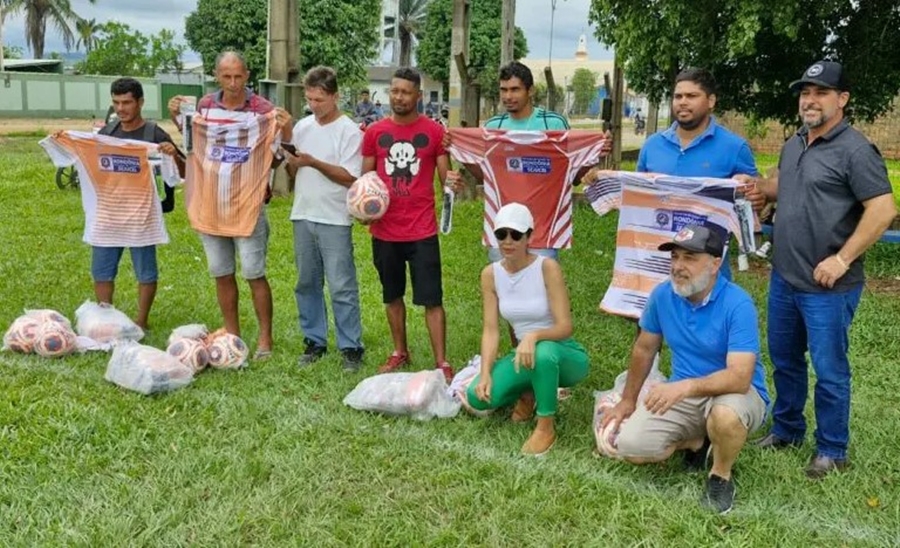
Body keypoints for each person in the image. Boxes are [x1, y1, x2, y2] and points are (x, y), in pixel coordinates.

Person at [745, 61, 896, 479]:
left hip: (829, 286)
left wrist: (842, 258)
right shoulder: (795, 142)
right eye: (805, 92)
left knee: (829, 371)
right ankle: (787, 430)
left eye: (821, 92)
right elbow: (788, 185)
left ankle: (832, 449)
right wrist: (762, 189)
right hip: (785, 277)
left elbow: (883, 209)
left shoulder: (856, 151)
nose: (810, 100)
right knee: (785, 360)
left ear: (842, 99)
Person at [600, 225, 769, 514]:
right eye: (675, 257)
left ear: (715, 264)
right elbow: (644, 348)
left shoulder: (738, 303)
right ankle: (697, 442)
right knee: (630, 446)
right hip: (685, 394)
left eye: (689, 258)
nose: (678, 266)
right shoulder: (662, 295)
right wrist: (628, 400)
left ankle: (720, 476)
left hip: (736, 394)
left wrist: (685, 386)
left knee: (725, 416)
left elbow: (740, 378)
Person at [167, 50, 293, 359]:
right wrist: (177, 117)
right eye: (227, 76)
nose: (234, 83)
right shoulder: (205, 107)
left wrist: (285, 129)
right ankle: (232, 333)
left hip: (248, 206)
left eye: (238, 76)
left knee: (253, 273)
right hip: (211, 204)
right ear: (217, 76)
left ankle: (265, 338)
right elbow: (194, 144)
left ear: (247, 75)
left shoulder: (263, 110)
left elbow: (277, 158)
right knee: (221, 273)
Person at [450, 61, 611, 263]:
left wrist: (597, 153)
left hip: (543, 230)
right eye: (503, 90)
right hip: (503, 231)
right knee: (503, 282)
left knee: (541, 283)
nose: (508, 96)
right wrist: (457, 149)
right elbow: (485, 176)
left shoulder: (553, 124)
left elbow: (573, 177)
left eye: (515, 89)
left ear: (531, 91)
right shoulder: (493, 128)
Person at [361, 67, 463, 382]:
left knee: (432, 298)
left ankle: (441, 361)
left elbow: (446, 179)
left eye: (406, 92)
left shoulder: (433, 132)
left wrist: (453, 183)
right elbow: (366, 181)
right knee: (392, 295)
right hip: (385, 231)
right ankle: (399, 351)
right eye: (395, 91)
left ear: (418, 95)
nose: (399, 97)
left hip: (422, 230)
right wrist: (364, 208)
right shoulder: (374, 132)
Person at [465, 203, 589, 456]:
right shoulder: (490, 274)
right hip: (525, 354)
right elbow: (490, 330)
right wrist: (485, 373)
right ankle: (529, 391)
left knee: (543, 353)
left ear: (529, 237)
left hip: (564, 353)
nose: (508, 241)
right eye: (501, 234)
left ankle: (545, 427)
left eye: (516, 234)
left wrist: (534, 336)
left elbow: (565, 326)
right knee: (477, 397)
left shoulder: (547, 267)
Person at [637, 68, 759, 281]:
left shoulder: (735, 147)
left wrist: (752, 191)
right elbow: (636, 196)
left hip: (708, 270)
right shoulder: (652, 145)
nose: (683, 102)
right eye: (678, 96)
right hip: (654, 263)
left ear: (711, 101)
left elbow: (754, 199)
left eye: (691, 96)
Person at [283, 66, 365, 372]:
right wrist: (293, 161)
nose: (313, 105)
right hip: (303, 212)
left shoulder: (349, 131)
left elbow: (350, 176)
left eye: (319, 100)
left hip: (334, 217)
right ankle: (314, 340)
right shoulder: (302, 127)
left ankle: (351, 346)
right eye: (309, 99)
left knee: (341, 285)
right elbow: (293, 170)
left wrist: (313, 162)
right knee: (306, 282)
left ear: (335, 96)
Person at [93, 77, 185, 329]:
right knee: (102, 270)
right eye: (116, 103)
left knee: (146, 272)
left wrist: (173, 155)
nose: (121, 108)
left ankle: (142, 321)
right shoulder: (107, 134)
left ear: (140, 102)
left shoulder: (153, 133)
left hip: (141, 213)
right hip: (109, 212)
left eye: (127, 103)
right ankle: (104, 319)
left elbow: (183, 172)